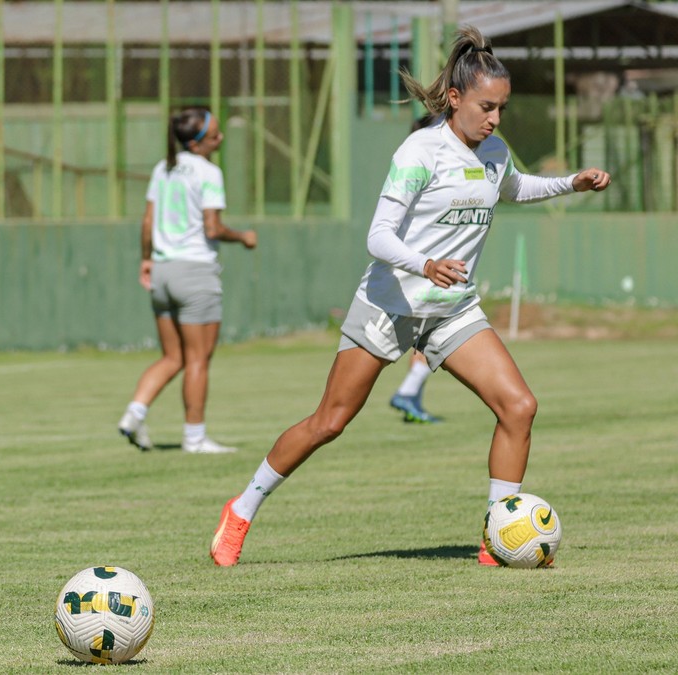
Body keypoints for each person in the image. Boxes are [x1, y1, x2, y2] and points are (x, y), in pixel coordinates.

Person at [208, 26, 610, 567]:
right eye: (486, 107)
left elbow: (514, 187)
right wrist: (426, 264)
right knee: (330, 421)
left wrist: (571, 184)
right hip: (389, 305)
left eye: (502, 109)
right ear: (455, 98)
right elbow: (377, 236)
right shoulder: (420, 150)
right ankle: (242, 508)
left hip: (453, 311)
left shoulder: (493, 149)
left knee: (519, 406)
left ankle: (497, 540)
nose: (495, 118)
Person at [117, 107, 257, 454]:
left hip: (162, 272)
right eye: (214, 135)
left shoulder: (162, 168)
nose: (221, 138)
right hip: (195, 274)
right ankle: (194, 438)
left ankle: (134, 415)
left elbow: (147, 222)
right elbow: (212, 228)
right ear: (197, 143)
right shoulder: (208, 172)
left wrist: (146, 259)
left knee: (172, 357)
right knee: (197, 360)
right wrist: (242, 237)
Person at [388, 115, 446, 425]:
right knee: (432, 333)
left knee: (427, 334)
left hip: (421, 267)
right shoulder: (422, 167)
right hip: (424, 268)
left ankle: (413, 400)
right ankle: (407, 393)